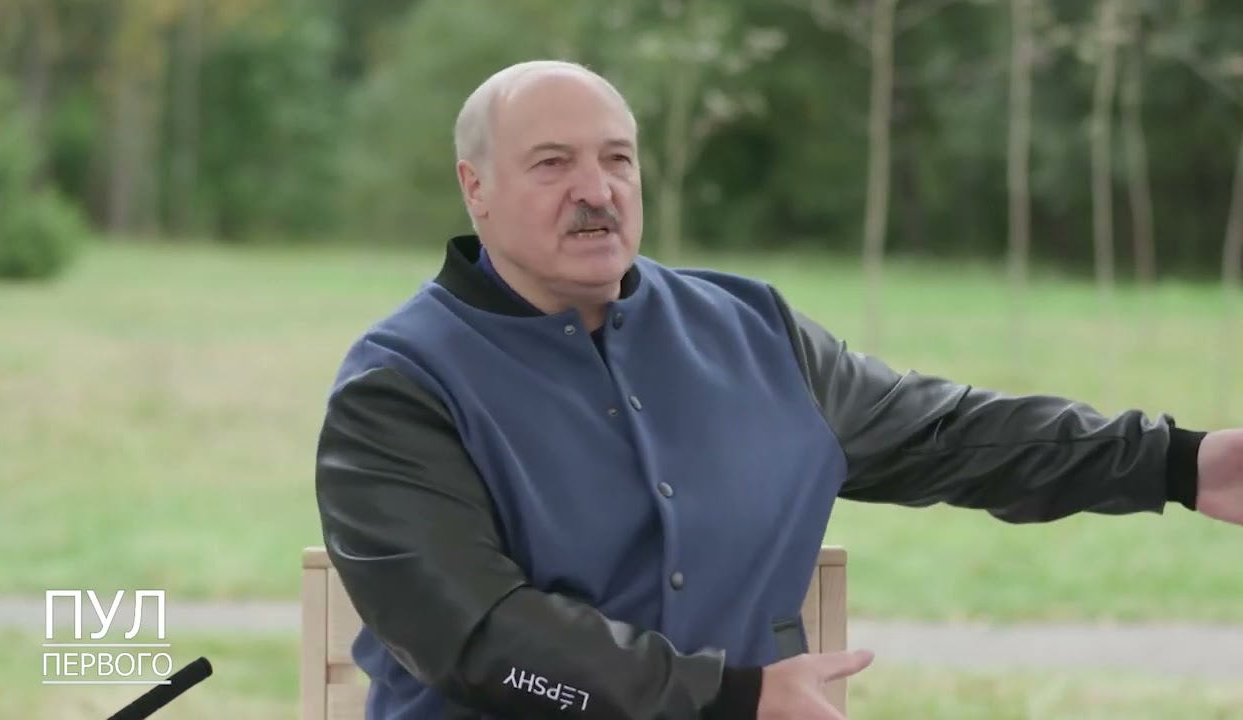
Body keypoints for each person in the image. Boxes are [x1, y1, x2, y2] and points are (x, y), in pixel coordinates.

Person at [313, 60, 1243, 720]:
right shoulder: (399, 389)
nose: (596, 189)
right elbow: (476, 636)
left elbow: (948, 433)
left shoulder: (750, 329)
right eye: (552, 163)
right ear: (474, 187)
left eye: (618, 158)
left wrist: (1180, 463)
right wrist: (729, 699)